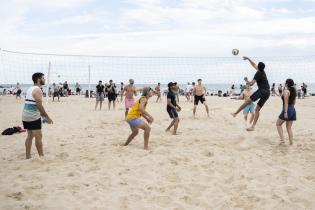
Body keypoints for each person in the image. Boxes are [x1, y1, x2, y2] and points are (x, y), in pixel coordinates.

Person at [232, 56, 270, 131]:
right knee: (257, 110)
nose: (256, 66)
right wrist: (248, 59)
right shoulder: (262, 71)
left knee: (247, 102)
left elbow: (251, 84)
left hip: (262, 91)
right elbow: (253, 64)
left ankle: (235, 113)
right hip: (267, 92)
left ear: (258, 67)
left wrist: (246, 80)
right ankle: (253, 126)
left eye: (257, 66)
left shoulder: (258, 73)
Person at [22, 72, 53, 159]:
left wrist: (42, 117)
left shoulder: (30, 88)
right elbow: (39, 106)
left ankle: (28, 156)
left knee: (30, 136)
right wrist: (47, 117)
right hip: (32, 116)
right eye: (43, 78)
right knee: (38, 137)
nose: (45, 80)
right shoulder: (38, 90)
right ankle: (41, 156)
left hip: (26, 115)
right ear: (39, 79)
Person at [276, 79, 297, 145]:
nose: (284, 83)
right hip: (293, 109)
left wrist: (285, 112)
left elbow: (286, 103)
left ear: (287, 84)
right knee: (289, 128)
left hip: (287, 109)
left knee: (278, 124)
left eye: (285, 82)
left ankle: (282, 141)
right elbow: (294, 102)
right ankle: (291, 142)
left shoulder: (286, 91)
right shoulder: (294, 91)